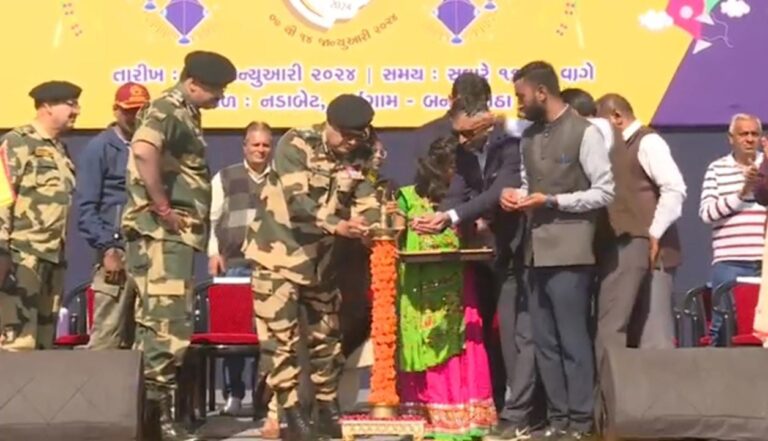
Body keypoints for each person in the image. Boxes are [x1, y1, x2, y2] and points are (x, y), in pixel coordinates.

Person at [243, 94, 381, 441]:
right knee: (281, 342)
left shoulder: (361, 152)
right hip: (277, 259)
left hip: (321, 264)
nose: (350, 143)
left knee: (326, 340)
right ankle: (292, 416)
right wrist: (337, 224)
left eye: (357, 137)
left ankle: (327, 410)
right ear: (329, 126)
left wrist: (371, 225)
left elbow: (367, 200)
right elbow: (297, 201)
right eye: (345, 136)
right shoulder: (297, 142)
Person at [121, 50, 236, 440]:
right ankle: (156, 420)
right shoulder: (167, 109)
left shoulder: (186, 111)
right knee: (166, 328)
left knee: (161, 326)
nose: (220, 98)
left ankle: (149, 416)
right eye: (216, 91)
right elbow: (143, 150)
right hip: (162, 235)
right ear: (193, 84)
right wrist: (163, 206)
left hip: (173, 237)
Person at [500, 61, 614, 439]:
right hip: (534, 252)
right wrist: (514, 196)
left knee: (572, 340)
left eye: (521, 96)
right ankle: (558, 419)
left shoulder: (585, 132)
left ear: (542, 92)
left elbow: (604, 191)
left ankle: (581, 422)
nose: (518, 103)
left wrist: (553, 201)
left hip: (571, 251)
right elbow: (526, 181)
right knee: (544, 342)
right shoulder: (529, 136)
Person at [395, 136, 498, 440]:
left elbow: (481, 233)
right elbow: (391, 234)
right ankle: (424, 420)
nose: (453, 173)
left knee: (458, 347)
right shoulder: (406, 198)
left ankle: (460, 421)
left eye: (458, 166)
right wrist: (399, 225)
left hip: (456, 287)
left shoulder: (465, 201)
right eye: (450, 166)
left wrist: (478, 228)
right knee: (423, 346)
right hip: (418, 290)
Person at [596, 93, 686, 351]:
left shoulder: (648, 142)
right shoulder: (617, 149)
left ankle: (662, 392)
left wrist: (655, 233)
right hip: (629, 253)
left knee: (654, 337)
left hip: (655, 255)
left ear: (617, 117)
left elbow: (674, 189)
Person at [207, 121, 280, 435]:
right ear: (244, 146)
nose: (261, 150)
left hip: (272, 267)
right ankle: (235, 394)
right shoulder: (225, 177)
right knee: (233, 334)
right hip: (234, 265)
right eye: (255, 145)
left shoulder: (281, 179)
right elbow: (211, 219)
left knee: (269, 338)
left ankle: (263, 399)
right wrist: (213, 252)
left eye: (265, 145)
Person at [0, 81, 80, 351]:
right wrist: (1, 252)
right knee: (16, 343)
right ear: (46, 107)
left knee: (44, 346)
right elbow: (2, 198)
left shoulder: (60, 150)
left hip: (52, 258)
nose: (77, 110)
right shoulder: (17, 142)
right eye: (70, 104)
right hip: (21, 259)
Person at [76, 82, 150, 350]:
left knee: (146, 339)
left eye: (142, 110)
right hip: (116, 251)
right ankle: (99, 392)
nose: (135, 116)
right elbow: (86, 208)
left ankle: (142, 393)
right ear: (116, 110)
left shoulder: (156, 145)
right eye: (129, 110)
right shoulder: (100, 148)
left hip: (149, 252)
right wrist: (108, 247)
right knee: (107, 338)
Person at [700, 114, 765, 346]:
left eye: (754, 134)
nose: (749, 139)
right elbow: (707, 214)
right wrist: (742, 192)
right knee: (722, 326)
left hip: (764, 262)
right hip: (730, 262)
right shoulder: (716, 169)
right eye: (743, 134)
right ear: (731, 138)